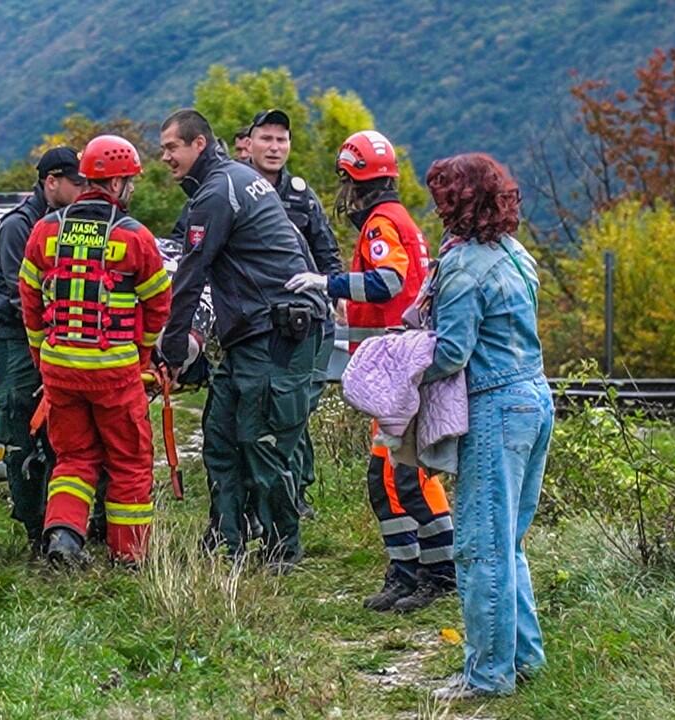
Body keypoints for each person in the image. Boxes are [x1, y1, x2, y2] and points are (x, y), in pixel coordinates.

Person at [285, 130, 455, 612]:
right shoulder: (401, 219)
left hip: (397, 371)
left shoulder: (381, 224)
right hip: (402, 367)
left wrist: (328, 283)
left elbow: (387, 283)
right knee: (392, 477)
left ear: (354, 180)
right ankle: (410, 572)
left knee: (401, 478)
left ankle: (435, 573)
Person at [158, 108, 327, 573]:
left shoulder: (218, 192)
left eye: (171, 148)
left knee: (261, 441)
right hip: (251, 334)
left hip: (275, 332)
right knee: (220, 436)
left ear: (198, 144)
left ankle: (281, 548)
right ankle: (226, 538)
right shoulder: (236, 180)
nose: (165, 157)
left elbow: (190, 275)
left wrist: (171, 351)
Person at [420, 153, 553, 702]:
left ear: (457, 201)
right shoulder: (515, 254)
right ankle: (524, 657)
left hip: (496, 407)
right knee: (508, 542)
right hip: (535, 397)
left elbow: (452, 352)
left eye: (442, 196)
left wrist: (401, 369)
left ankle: (488, 675)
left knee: (479, 549)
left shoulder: (462, 266)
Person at [18, 135, 171, 568]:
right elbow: (158, 306)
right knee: (129, 461)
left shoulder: (45, 230)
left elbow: (30, 302)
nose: (132, 189)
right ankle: (129, 555)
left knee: (73, 458)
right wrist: (142, 357)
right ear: (117, 183)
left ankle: (63, 539)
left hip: (60, 371)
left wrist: (43, 360)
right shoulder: (134, 237)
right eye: (130, 181)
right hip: (115, 373)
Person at [0, 146, 86, 555]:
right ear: (51, 182)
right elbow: (21, 293)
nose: (81, 191)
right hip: (13, 343)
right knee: (22, 435)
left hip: (47, 340)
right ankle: (33, 530)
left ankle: (58, 527)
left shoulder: (67, 224)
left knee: (59, 439)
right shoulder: (19, 226)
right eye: (75, 183)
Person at [247, 108, 343, 519]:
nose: (274, 147)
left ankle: (296, 491)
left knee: (299, 404)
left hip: (305, 322)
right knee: (263, 408)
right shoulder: (234, 190)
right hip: (255, 321)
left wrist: (333, 295)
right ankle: (260, 495)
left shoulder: (301, 195)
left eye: (281, 140)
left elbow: (327, 251)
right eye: (266, 138)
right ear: (249, 144)